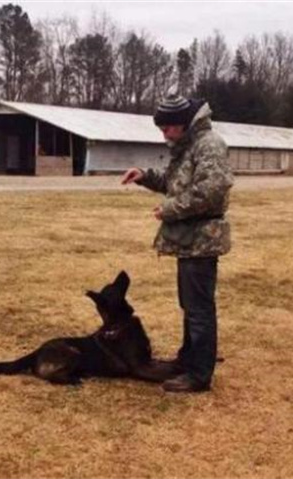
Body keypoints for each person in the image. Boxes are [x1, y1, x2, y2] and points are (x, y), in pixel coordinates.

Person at [121, 93, 234, 393]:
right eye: (162, 129)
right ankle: (187, 360)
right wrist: (144, 177)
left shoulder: (209, 144)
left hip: (202, 239)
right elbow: (175, 183)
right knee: (190, 306)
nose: (165, 134)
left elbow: (211, 191)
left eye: (169, 128)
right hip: (189, 240)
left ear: (184, 124)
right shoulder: (187, 146)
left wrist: (170, 209)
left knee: (199, 310)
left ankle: (198, 375)